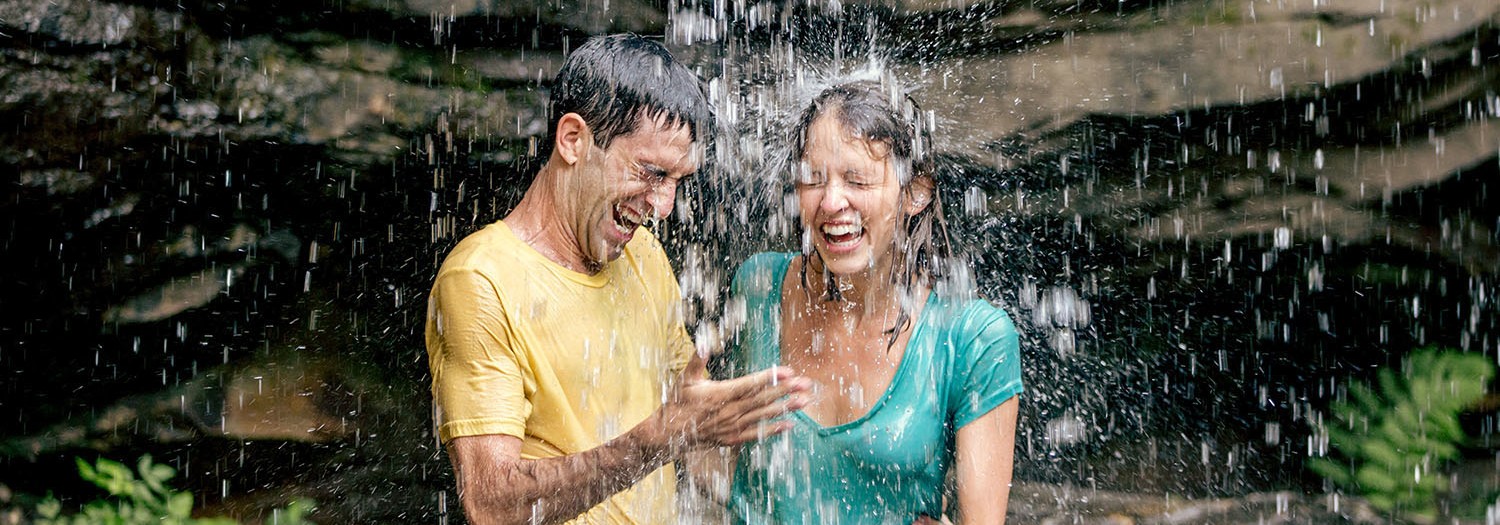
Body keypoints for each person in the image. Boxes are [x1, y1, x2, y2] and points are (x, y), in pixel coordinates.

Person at [424, 34, 812, 525]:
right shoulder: (481, 281)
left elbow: (691, 433)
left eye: (677, 182)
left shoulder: (642, 255)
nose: (664, 207)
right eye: (651, 173)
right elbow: (492, 505)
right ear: (573, 140)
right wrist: (657, 440)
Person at [720, 80, 1023, 523]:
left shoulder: (972, 339)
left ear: (915, 192)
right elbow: (712, 451)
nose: (831, 202)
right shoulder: (759, 286)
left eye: (857, 180)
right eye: (813, 179)